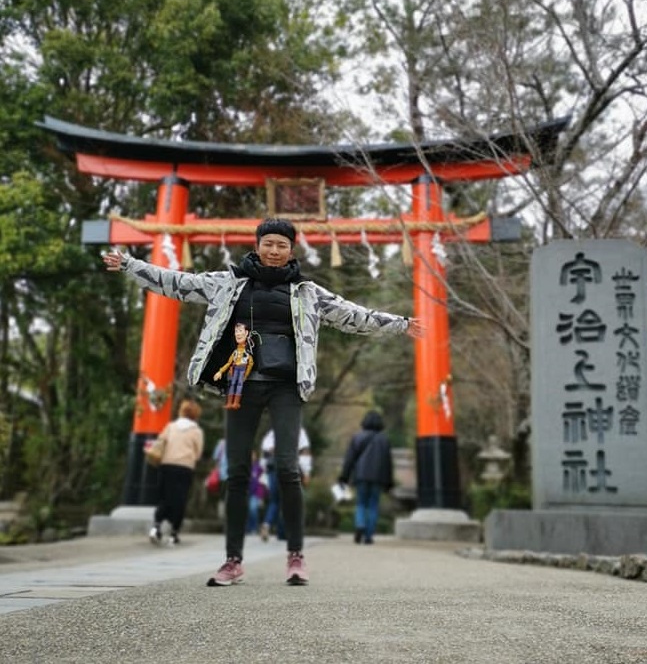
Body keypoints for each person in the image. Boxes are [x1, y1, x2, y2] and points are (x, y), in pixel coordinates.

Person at [103, 217, 424, 587]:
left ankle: (296, 556)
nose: (274, 251)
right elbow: (177, 283)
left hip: (286, 385)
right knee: (236, 472)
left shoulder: (308, 292)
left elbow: (353, 315)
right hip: (241, 385)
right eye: (268, 243)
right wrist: (131, 265)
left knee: (288, 469)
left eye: (282, 245)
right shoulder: (228, 284)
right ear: (257, 245)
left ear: (292, 249)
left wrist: (400, 323)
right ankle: (233, 561)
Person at [148, 397, 204, 546]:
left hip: (167, 464)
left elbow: (160, 441)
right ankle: (174, 532)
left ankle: (156, 526)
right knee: (179, 498)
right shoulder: (196, 431)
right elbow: (198, 453)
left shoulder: (171, 426)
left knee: (165, 496)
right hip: (184, 467)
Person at [338, 410, 394, 545]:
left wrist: (344, 476)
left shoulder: (357, 437)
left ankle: (360, 525)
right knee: (373, 505)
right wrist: (389, 482)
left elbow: (349, 459)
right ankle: (368, 536)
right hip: (378, 478)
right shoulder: (384, 439)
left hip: (361, 476)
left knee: (361, 503)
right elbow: (388, 462)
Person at [259, 427, 312, 542]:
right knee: (289, 500)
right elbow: (304, 452)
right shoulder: (299, 430)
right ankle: (283, 531)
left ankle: (267, 524)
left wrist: (264, 469)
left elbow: (265, 450)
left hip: (274, 468)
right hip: (290, 468)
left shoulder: (273, 431)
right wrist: (306, 472)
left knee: (274, 500)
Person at [246, 451, 267, 534]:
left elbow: (262, 481)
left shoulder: (258, 467)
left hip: (256, 493)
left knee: (253, 509)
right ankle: (248, 527)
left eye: (253, 455)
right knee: (247, 510)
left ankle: (254, 527)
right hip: (247, 493)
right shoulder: (245, 467)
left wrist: (261, 495)